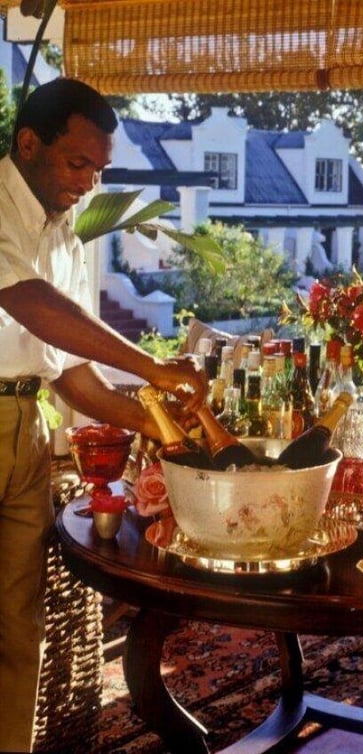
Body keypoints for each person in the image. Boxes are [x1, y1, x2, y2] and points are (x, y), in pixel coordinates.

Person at [0, 78, 207, 752]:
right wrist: (152, 368)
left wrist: (162, 424)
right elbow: (28, 302)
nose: (89, 183)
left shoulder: (66, 236)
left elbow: (71, 373)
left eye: (99, 169)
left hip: (27, 429)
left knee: (18, 626)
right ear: (28, 144)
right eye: (77, 162)